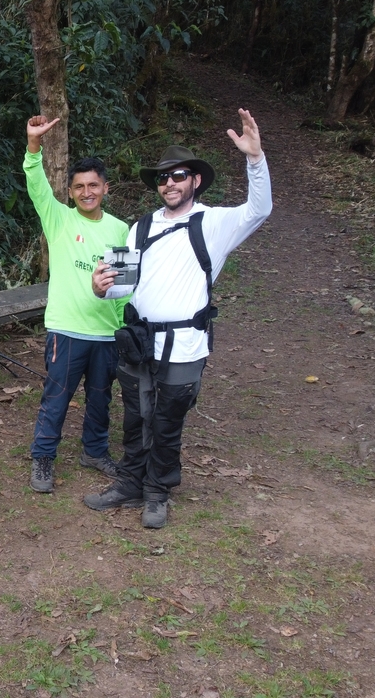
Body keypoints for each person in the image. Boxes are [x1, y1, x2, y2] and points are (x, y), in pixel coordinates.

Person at [86, 109, 272, 529]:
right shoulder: (140, 227)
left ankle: (157, 491)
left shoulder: (215, 222)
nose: (169, 183)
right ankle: (131, 482)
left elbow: (260, 210)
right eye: (163, 177)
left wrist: (255, 159)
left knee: (168, 421)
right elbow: (122, 284)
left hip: (186, 343)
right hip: (139, 340)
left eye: (178, 175)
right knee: (135, 415)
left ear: (195, 181)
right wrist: (101, 287)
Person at [22, 115, 130, 494]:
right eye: (79, 187)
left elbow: (124, 286)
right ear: (69, 192)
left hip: (104, 332)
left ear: (105, 188)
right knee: (56, 399)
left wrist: (122, 328)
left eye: (93, 185)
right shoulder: (59, 219)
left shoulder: (119, 229)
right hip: (66, 329)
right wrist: (34, 146)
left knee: (100, 399)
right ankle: (43, 458)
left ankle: (95, 451)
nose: (87, 192)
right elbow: (36, 185)